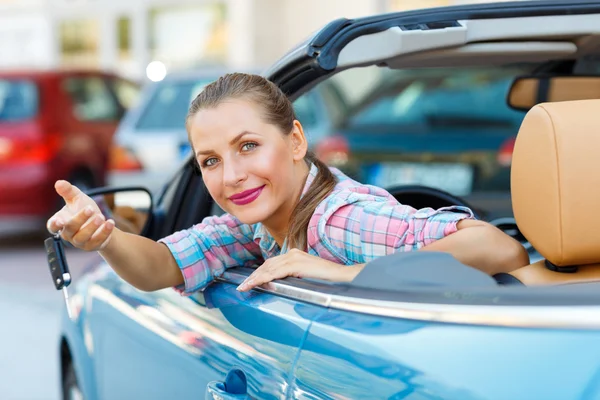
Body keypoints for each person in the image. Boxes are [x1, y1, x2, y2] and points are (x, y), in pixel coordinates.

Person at [46, 73, 529, 295]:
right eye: (210, 160)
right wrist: (104, 235)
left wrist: (340, 274)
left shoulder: (340, 219)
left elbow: (498, 249)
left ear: (295, 140)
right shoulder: (251, 226)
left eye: (249, 146)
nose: (232, 176)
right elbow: (161, 266)